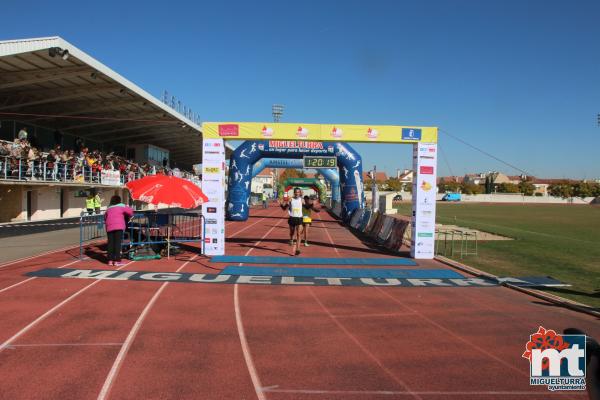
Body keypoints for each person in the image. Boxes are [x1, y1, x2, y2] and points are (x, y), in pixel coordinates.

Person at [104, 195, 133, 266]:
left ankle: (110, 260)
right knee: (117, 243)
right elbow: (131, 212)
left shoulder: (109, 208)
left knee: (110, 243)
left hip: (109, 226)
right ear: (119, 200)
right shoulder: (121, 205)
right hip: (118, 226)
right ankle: (117, 261)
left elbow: (105, 217)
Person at [280, 187, 303, 256]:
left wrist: (313, 206)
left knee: (299, 234)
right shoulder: (291, 200)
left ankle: (298, 249)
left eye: (298, 192)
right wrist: (281, 204)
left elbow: (308, 207)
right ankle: (291, 239)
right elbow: (284, 208)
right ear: (294, 193)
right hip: (292, 218)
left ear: (300, 193)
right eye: (296, 192)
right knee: (292, 232)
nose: (297, 193)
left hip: (299, 218)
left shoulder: (302, 200)